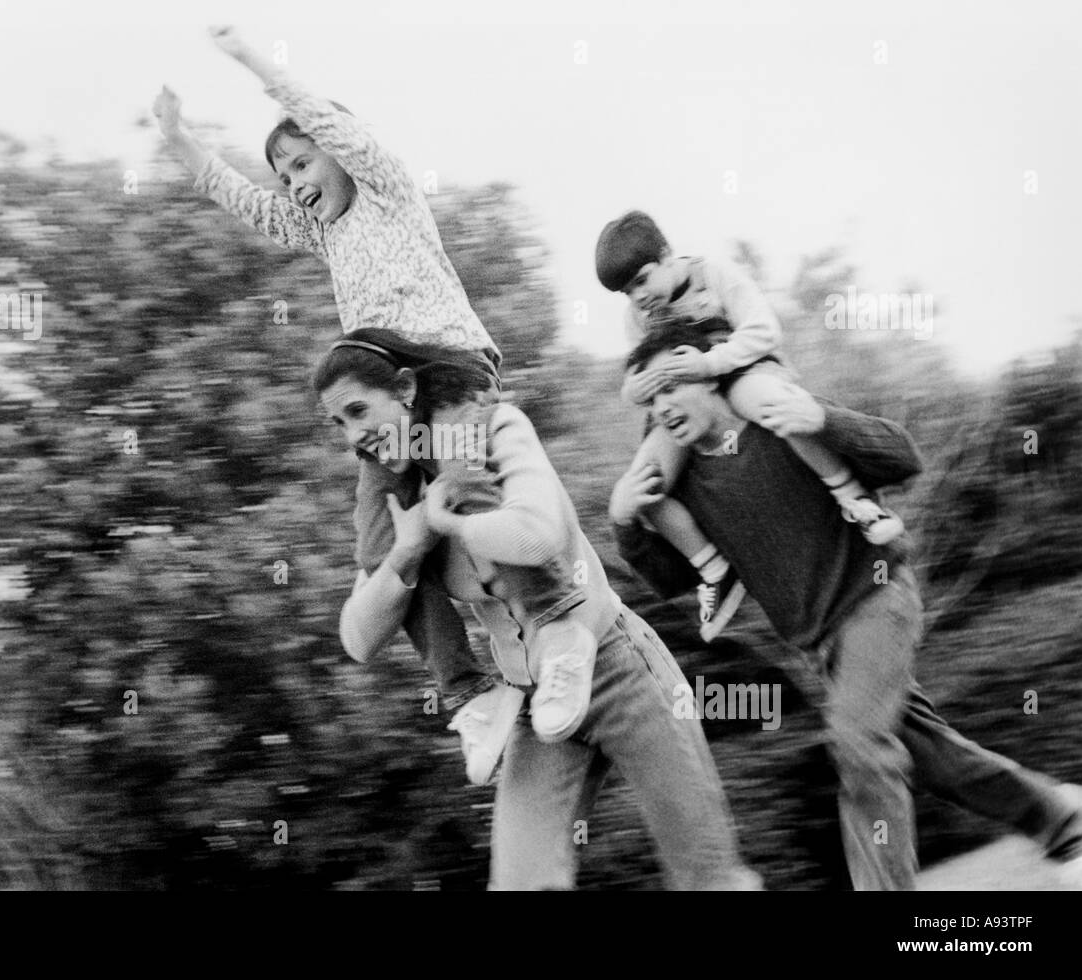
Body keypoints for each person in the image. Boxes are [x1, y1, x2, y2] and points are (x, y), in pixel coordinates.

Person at [151, 26, 596, 780]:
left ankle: (561, 634)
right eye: (284, 174)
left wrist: (248, 60)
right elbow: (239, 200)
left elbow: (323, 121)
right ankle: (469, 695)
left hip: (451, 372)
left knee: (465, 492)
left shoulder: (387, 192)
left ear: (338, 152)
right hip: (391, 400)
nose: (292, 182)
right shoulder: (321, 233)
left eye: (300, 163)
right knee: (383, 549)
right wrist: (177, 138)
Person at [609, 321, 1082, 890]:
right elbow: (672, 579)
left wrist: (824, 420)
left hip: (877, 598)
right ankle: (1062, 819)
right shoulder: (682, 490)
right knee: (932, 758)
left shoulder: (776, 416)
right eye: (650, 398)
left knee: (856, 743)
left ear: (709, 376)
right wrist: (626, 525)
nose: (660, 408)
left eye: (670, 388)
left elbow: (904, 458)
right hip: (820, 645)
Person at [316, 328, 760, 890]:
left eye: (359, 411)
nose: (355, 435)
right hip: (533, 698)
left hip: (614, 663)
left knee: (708, 877)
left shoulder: (494, 429)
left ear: (404, 389)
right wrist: (412, 545)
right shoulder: (396, 503)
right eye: (340, 424)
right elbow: (358, 639)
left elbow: (538, 536)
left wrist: (453, 520)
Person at [595, 211, 904, 641]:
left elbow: (764, 331)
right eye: (627, 291)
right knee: (643, 484)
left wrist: (710, 363)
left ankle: (855, 501)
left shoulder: (714, 275)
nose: (638, 296)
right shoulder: (637, 318)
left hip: (742, 373)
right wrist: (638, 388)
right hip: (688, 395)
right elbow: (639, 376)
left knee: (775, 407)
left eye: (642, 280)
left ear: (666, 256)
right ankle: (713, 570)